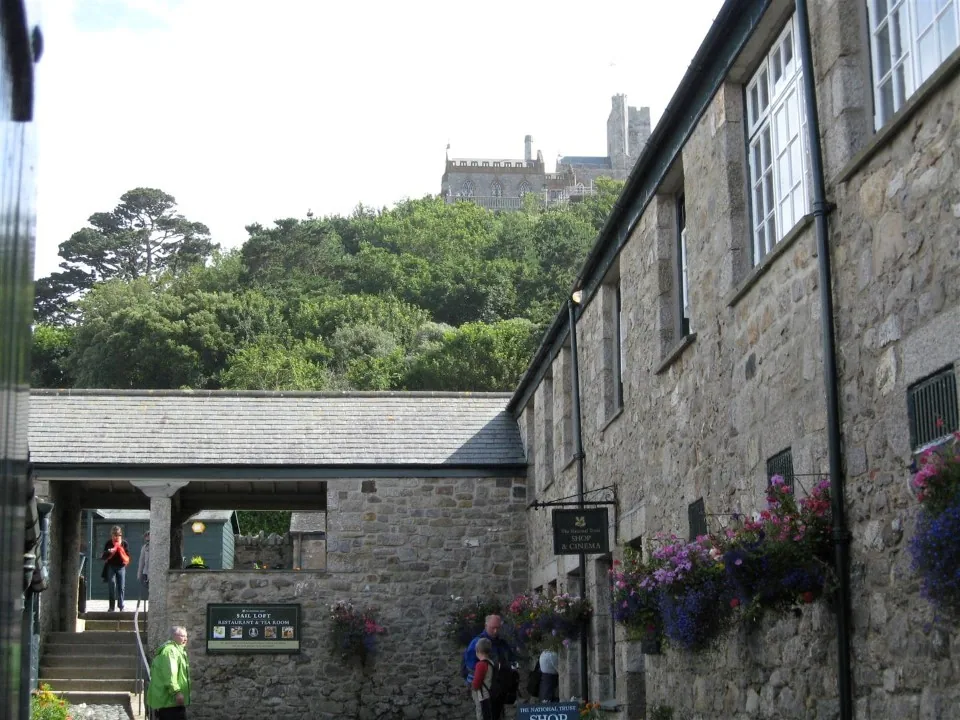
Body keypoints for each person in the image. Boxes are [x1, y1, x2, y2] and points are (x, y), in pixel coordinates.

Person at [464, 615, 516, 720]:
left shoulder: (502, 643)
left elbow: (510, 659)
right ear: (486, 625)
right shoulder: (477, 643)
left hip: (498, 687)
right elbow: (470, 666)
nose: (496, 631)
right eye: (493, 627)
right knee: (484, 713)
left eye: (498, 627)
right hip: (483, 688)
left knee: (498, 714)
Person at [147, 625, 191, 719]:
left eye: (186, 636)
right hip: (169, 701)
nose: (186, 639)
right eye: (183, 636)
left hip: (170, 702)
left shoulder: (177, 650)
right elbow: (170, 674)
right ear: (174, 636)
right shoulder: (171, 651)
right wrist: (177, 692)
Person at [100, 525, 130, 612]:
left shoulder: (124, 543)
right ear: (111, 535)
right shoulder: (108, 543)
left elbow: (128, 556)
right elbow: (103, 556)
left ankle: (121, 606)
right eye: (114, 535)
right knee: (112, 585)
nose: (116, 537)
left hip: (121, 567)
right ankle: (111, 607)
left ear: (121, 535)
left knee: (121, 587)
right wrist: (109, 551)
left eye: (118, 535)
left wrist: (121, 550)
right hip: (111, 566)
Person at [470, 638, 494, 720]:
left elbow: (476, 683)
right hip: (490, 693)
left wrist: (472, 688)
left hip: (483, 696)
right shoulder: (491, 662)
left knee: (482, 716)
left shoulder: (480, 665)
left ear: (477, 650)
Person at [137, 531, 150, 598]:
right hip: (146, 573)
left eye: (149, 536)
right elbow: (141, 561)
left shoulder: (157, 547)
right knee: (148, 591)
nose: (147, 538)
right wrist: (139, 574)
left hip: (154, 573)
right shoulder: (144, 547)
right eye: (146, 536)